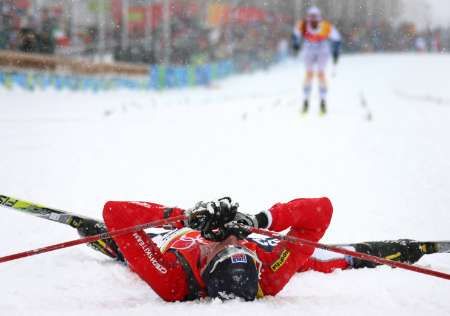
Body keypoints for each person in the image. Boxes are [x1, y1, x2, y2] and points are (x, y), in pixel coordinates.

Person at [76, 197, 441, 302]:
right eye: (239, 246)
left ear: (205, 264)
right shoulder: (268, 271)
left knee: (127, 250)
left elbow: (115, 213)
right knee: (322, 262)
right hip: (280, 252)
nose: (234, 238)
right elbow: (321, 210)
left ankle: (114, 245)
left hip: (163, 241)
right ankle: (361, 255)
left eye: (228, 245)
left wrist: (180, 217)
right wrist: (264, 220)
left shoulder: (174, 280)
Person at [291, 6, 342, 115]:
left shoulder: (325, 26)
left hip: (322, 50)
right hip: (308, 49)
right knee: (309, 74)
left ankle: (323, 100)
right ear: (308, 18)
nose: (313, 20)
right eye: (311, 17)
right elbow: (295, 34)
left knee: (320, 73)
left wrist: (336, 52)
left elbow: (337, 38)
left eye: (315, 18)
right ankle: (305, 100)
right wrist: (295, 43)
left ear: (319, 18)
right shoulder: (303, 25)